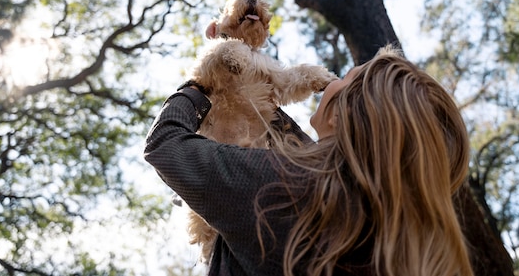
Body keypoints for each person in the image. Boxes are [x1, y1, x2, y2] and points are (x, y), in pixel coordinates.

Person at [144, 45, 474, 276]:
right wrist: (246, 83)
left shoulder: (282, 187)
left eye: (345, 77)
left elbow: (164, 145)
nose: (333, 81)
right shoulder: (386, 230)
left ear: (344, 114)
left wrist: (199, 86)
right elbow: (291, 146)